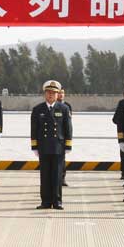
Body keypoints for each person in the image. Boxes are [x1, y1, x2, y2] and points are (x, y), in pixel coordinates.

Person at [32, 80, 72, 210]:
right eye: (48, 92)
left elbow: (68, 128)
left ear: (57, 94)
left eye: (53, 93)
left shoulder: (64, 108)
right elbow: (34, 129)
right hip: (43, 146)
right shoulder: (38, 109)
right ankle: (45, 201)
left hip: (58, 147)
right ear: (45, 94)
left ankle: (57, 201)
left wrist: (68, 145)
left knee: (57, 175)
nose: (51, 95)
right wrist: (34, 146)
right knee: (45, 175)